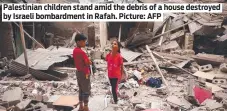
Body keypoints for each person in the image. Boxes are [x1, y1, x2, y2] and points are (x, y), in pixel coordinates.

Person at [73, 33, 92, 111]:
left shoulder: (75, 50)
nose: (85, 43)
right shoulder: (82, 52)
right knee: (86, 90)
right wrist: (89, 60)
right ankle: (86, 107)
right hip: (85, 73)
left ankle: (81, 106)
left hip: (78, 72)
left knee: (81, 89)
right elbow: (88, 63)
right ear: (78, 42)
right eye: (83, 41)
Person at [106, 40, 124, 104]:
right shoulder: (109, 55)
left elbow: (121, 67)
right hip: (110, 75)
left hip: (116, 75)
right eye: (113, 44)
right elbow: (107, 62)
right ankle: (115, 95)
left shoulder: (119, 56)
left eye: (115, 44)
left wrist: (121, 75)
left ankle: (116, 101)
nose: (113, 45)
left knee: (113, 88)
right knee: (113, 87)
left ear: (118, 47)